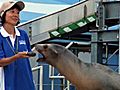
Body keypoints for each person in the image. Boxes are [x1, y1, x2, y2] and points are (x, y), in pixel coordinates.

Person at [0, 1, 35, 90]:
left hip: (26, 84)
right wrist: (16, 57)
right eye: (12, 11)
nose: (16, 15)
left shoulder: (23, 34)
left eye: (18, 13)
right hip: (6, 84)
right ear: (2, 14)